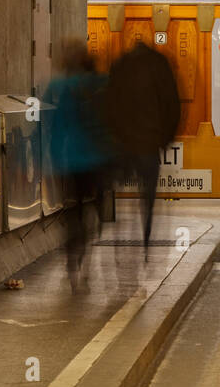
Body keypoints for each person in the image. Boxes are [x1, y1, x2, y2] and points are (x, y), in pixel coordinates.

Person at [105, 39, 181, 259]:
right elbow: (172, 104)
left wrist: (115, 138)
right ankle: (146, 238)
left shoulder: (121, 65)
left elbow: (110, 104)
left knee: (120, 188)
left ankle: (122, 246)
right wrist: (165, 140)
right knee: (147, 195)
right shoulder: (160, 64)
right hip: (149, 144)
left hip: (125, 145)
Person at [43, 39, 110, 290]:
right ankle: (86, 256)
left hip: (70, 161)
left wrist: (53, 158)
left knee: (74, 213)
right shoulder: (100, 84)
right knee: (93, 211)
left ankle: (73, 259)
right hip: (98, 160)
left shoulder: (60, 87)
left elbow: (56, 126)